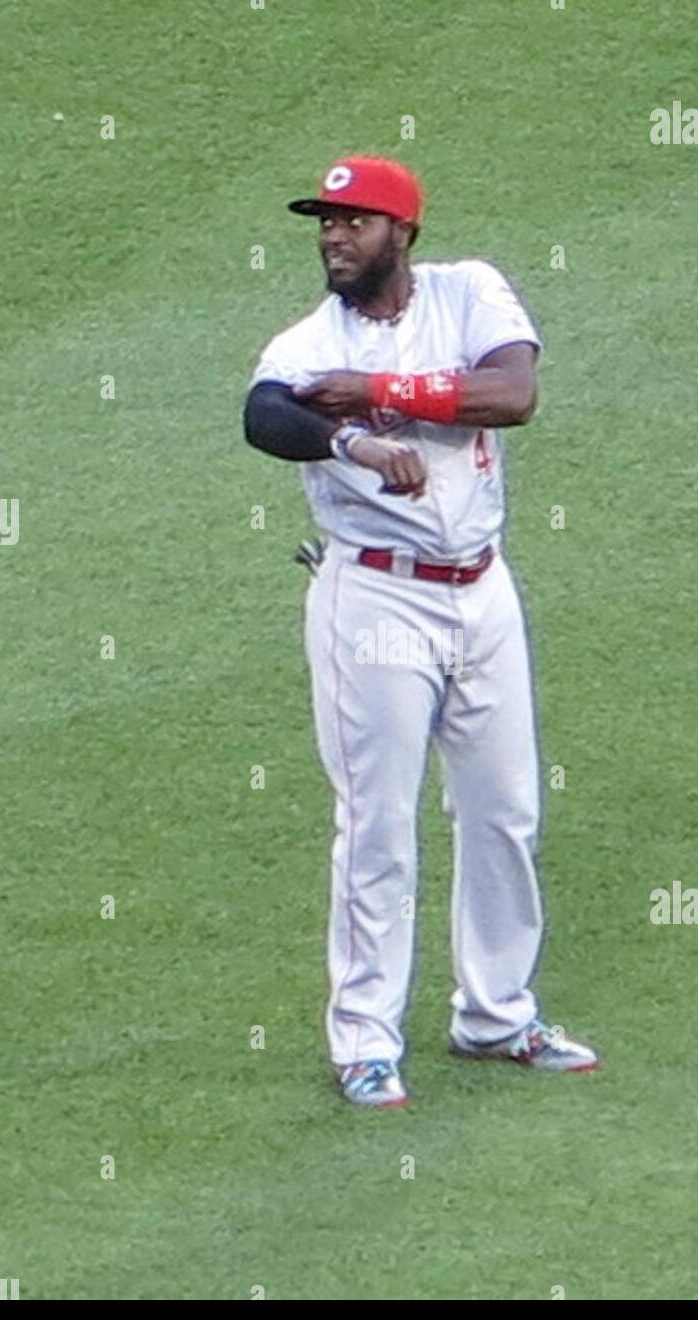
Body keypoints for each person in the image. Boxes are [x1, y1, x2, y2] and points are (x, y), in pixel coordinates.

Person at [244, 155, 598, 1108]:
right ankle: (364, 1038)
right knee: (377, 826)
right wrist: (351, 434)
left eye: (353, 221)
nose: (331, 235)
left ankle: (497, 1015)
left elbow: (513, 395)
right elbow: (266, 415)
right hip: (376, 598)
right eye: (324, 221)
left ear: (402, 231)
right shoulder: (309, 341)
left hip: (483, 591)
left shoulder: (468, 290)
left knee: (504, 811)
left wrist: (381, 393)